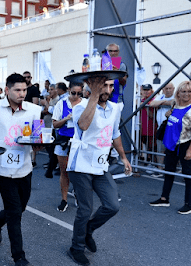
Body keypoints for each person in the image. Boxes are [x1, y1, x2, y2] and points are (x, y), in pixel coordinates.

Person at [66, 77, 132, 265]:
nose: (108, 90)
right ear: (94, 87)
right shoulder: (80, 106)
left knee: (112, 205)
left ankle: (87, 230)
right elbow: (83, 126)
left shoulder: (114, 109)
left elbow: (115, 134)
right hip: (81, 165)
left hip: (101, 165)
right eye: (104, 85)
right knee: (85, 209)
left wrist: (124, 157)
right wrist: (94, 96)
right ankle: (76, 248)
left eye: (111, 86)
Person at [0, 73, 42, 266]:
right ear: (7, 90)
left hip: (25, 167)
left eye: (24, 90)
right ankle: (19, 257)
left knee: (20, 207)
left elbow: (37, 136)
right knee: (15, 212)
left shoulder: (34, 110)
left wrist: (39, 144)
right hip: (2, 167)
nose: (22, 94)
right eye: (17, 90)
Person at [149, 81, 191, 214]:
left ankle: (189, 204)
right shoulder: (175, 104)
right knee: (169, 171)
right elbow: (154, 104)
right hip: (171, 144)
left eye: (189, 91)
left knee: (188, 175)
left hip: (186, 144)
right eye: (183, 91)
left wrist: (190, 150)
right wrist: (168, 114)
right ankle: (164, 198)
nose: (186, 94)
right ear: (178, 93)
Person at [52, 82, 83, 211]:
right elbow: (55, 124)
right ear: (69, 90)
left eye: (79, 93)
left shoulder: (85, 104)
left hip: (79, 141)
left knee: (78, 172)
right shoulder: (61, 103)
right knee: (64, 171)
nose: (76, 96)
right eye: (73, 93)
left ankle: (78, 195)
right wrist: (66, 119)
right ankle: (64, 200)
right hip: (64, 140)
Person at [149, 83, 175, 170]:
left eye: (170, 88)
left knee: (172, 149)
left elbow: (174, 103)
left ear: (173, 89)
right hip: (161, 127)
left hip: (172, 128)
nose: (168, 90)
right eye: (166, 88)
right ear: (163, 89)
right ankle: (160, 169)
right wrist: (164, 102)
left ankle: (171, 169)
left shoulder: (177, 96)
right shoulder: (160, 96)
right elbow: (152, 103)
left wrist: (159, 103)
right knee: (160, 148)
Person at [140, 84, 157, 163]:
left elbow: (152, 115)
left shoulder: (154, 100)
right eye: (144, 90)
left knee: (152, 148)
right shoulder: (141, 100)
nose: (146, 92)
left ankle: (155, 165)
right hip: (143, 128)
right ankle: (150, 163)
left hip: (151, 129)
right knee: (146, 146)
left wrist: (145, 105)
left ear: (151, 91)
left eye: (148, 90)